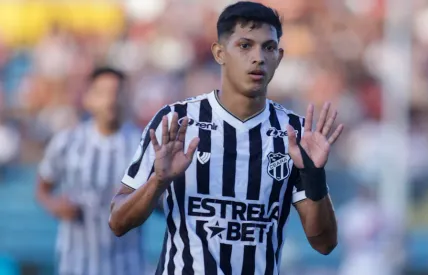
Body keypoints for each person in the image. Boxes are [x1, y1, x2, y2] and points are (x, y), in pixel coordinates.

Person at [109, 1, 343, 274]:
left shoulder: (294, 134)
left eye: (268, 47)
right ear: (219, 53)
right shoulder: (176, 121)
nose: (258, 57)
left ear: (278, 57)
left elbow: (324, 243)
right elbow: (118, 222)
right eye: (245, 45)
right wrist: (158, 181)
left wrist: (314, 176)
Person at [36, 67, 144, 275]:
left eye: (117, 92)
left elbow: (159, 201)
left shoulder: (142, 144)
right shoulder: (67, 142)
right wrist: (56, 205)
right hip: (76, 264)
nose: (111, 99)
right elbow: (42, 188)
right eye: (103, 92)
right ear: (89, 98)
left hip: (127, 266)